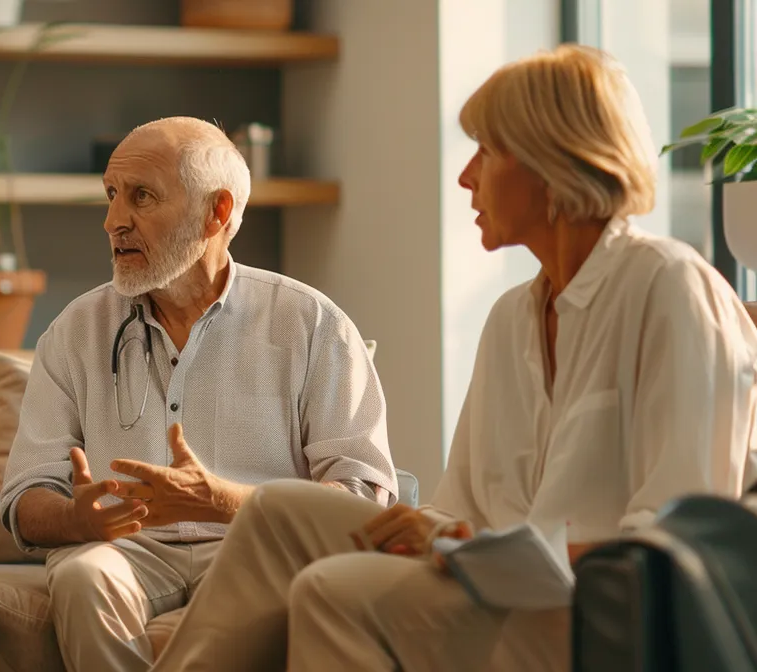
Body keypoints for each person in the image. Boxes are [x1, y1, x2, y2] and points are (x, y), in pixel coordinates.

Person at [153, 45, 757, 671]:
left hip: (599, 622)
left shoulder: (671, 288)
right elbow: (460, 509)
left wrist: (468, 547)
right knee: (279, 511)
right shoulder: (510, 319)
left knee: (334, 593)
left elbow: (673, 549)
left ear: (554, 161)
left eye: (487, 152)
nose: (467, 176)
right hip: (494, 583)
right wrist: (436, 536)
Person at [0, 116, 399, 672]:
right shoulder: (74, 329)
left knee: (277, 587)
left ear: (218, 212)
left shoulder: (311, 323)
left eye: (141, 197)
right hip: (121, 553)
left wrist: (224, 502)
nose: (114, 221)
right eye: (111, 196)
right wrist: (76, 520)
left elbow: (364, 497)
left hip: (255, 552)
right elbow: (26, 494)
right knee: (83, 575)